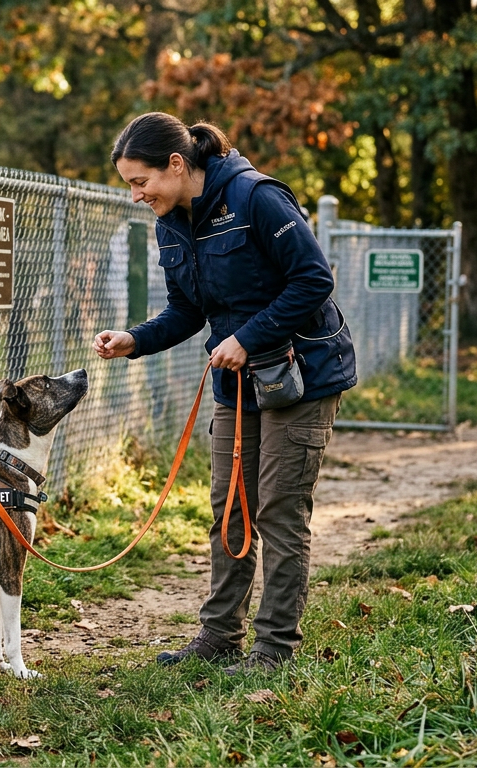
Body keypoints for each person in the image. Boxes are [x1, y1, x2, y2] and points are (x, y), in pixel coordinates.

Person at [94, 113, 357, 675]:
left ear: (177, 163)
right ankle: (219, 636)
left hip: (302, 374)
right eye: (129, 186)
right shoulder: (172, 219)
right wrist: (134, 340)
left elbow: (314, 280)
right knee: (229, 511)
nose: (137, 195)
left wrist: (247, 336)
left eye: (141, 182)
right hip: (236, 382)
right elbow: (188, 310)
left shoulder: (255, 196)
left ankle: (274, 649)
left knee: (279, 511)